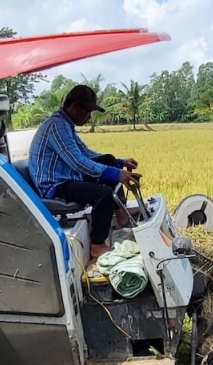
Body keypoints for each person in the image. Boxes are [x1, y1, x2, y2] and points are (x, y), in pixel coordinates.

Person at [28, 84, 140, 260]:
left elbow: (85, 153)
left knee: (108, 160)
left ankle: (121, 214)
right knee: (103, 194)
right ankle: (97, 246)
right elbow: (78, 162)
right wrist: (115, 174)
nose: (89, 117)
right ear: (74, 107)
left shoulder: (65, 124)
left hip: (65, 177)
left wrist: (118, 163)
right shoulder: (57, 126)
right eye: (87, 111)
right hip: (55, 185)